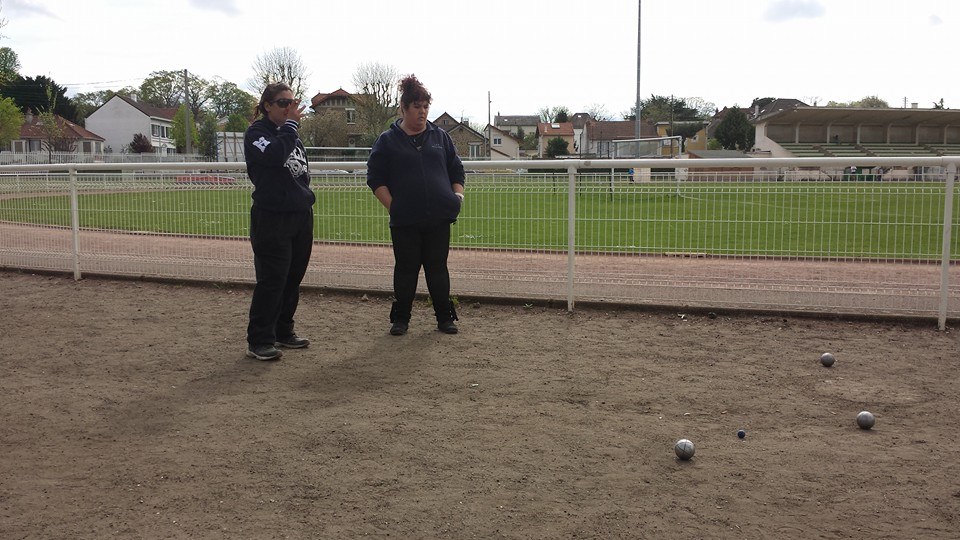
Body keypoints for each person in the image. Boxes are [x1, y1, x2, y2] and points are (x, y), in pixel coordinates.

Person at [366, 75, 465, 336]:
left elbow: (456, 170)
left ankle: (445, 318)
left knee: (437, 268)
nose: (422, 112)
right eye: (417, 106)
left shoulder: (440, 137)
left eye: (425, 107)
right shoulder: (387, 140)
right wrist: (394, 207)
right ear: (404, 107)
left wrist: (457, 197)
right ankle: (401, 319)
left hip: (438, 218)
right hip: (405, 221)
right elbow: (375, 178)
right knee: (406, 269)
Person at [243, 82, 315, 360]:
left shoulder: (290, 134)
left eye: (292, 102)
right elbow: (274, 156)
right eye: (283, 103)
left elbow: (300, 173)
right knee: (272, 279)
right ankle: (259, 340)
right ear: (267, 106)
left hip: (300, 215)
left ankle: (284, 330)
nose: (290, 108)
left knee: (293, 277)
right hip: (272, 216)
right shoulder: (257, 133)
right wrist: (291, 126)